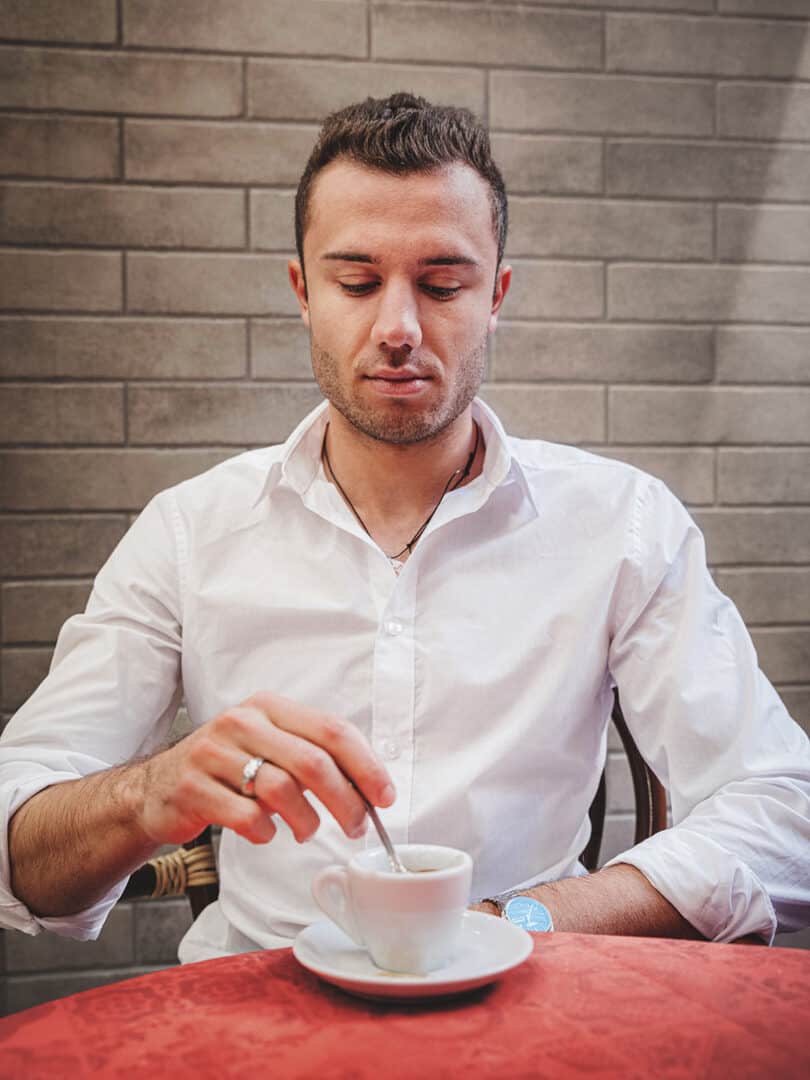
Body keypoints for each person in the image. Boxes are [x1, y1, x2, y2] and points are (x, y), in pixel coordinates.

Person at [1, 94, 808, 960]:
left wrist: (522, 921)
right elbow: (23, 855)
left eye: (441, 284)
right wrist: (146, 793)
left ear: (495, 295)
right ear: (303, 292)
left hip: (533, 993)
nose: (397, 328)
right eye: (355, 282)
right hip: (258, 1009)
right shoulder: (190, 531)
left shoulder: (623, 523)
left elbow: (783, 814)